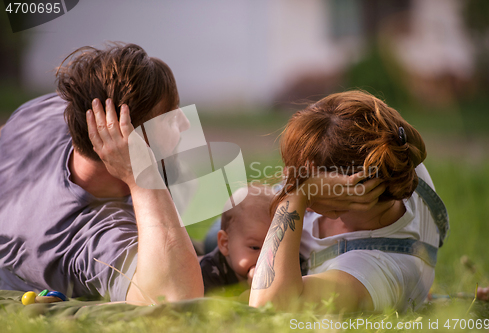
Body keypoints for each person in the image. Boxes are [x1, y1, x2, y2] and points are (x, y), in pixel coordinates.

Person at [0, 43, 203, 304]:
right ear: (124, 139)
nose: (185, 123)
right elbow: (177, 297)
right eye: (170, 116)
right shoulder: (87, 236)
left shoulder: (47, 113)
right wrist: (142, 176)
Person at [249, 90, 447, 313]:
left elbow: (268, 306)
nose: (287, 176)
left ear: (352, 188)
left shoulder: (379, 270)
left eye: (304, 176)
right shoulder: (395, 151)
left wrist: (297, 194)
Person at [200, 185, 274, 294]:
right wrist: (253, 295)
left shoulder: (280, 269)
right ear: (225, 243)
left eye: (275, 249)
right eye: (255, 247)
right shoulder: (209, 272)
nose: (265, 258)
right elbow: (210, 308)